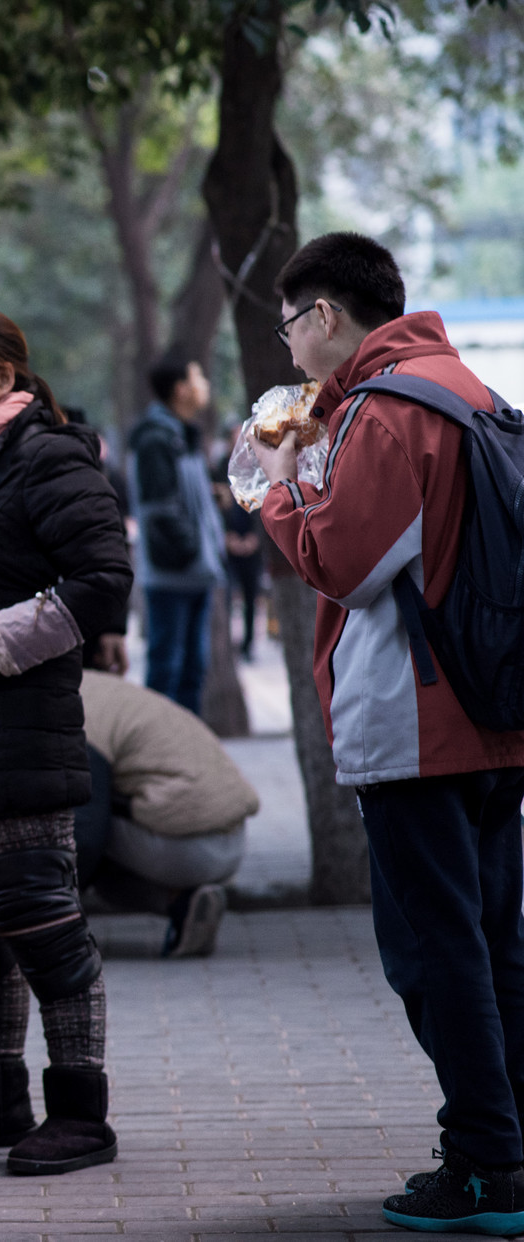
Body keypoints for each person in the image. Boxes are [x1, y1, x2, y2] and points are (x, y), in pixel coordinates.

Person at [253, 231, 524, 1237]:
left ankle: (486, 1163)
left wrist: (275, 483)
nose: (287, 350)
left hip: (418, 722)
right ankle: (508, 1148)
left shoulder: (385, 410)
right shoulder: (471, 390)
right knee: (496, 940)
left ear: (326, 315)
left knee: (432, 951)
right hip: (493, 706)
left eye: (290, 325)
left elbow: (341, 559)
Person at [0, 307, 133, 1176]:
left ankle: (82, 1113)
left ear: (5, 377)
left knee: (45, 930)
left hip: (24, 734)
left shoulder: (45, 457)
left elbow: (105, 581)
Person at [76, 666, 259, 957]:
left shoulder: (76, 714)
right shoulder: (103, 689)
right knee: (102, 868)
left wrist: (44, 919)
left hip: (188, 845)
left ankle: (175, 901)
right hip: (233, 840)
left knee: (78, 824)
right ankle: (185, 904)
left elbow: (86, 837)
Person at [129, 357, 225, 712]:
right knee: (168, 670)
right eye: (197, 376)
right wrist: (192, 549)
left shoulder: (179, 432)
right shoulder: (157, 437)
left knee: (190, 671)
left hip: (192, 572)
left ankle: (187, 758)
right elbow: (159, 509)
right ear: (181, 389)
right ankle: (160, 758)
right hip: (173, 574)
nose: (203, 383)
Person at [218, 429, 267, 661]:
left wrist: (255, 537)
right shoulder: (218, 468)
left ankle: (248, 644)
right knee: (226, 596)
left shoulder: (257, 467)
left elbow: (265, 504)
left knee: (251, 597)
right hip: (227, 544)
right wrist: (226, 537)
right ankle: (227, 645)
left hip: (251, 544)